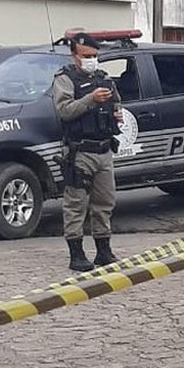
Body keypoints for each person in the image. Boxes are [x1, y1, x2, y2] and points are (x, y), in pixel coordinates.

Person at [52, 32, 123, 272]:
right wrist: (91, 99)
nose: (92, 59)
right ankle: (77, 253)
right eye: (86, 56)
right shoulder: (65, 79)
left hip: (104, 149)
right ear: (75, 56)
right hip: (79, 151)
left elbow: (117, 103)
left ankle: (104, 250)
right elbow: (65, 111)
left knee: (105, 201)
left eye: (95, 55)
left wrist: (117, 113)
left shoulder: (104, 78)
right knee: (76, 203)